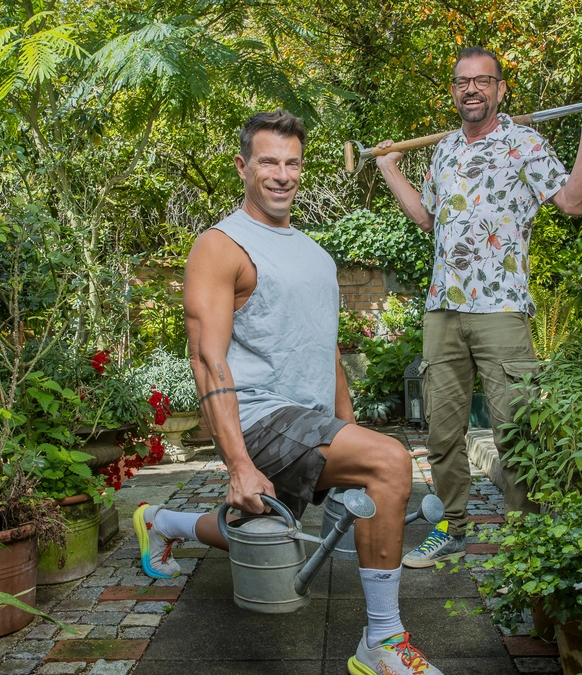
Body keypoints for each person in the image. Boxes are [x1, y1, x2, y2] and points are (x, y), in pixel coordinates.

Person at [132, 110, 445, 675]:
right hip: (258, 417)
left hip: (308, 420)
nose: (282, 174)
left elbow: (327, 351)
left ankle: (162, 522)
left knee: (267, 535)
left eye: (292, 163)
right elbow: (207, 358)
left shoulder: (315, 254)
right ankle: (382, 641)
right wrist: (237, 464)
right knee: (391, 463)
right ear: (242, 167)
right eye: (268, 162)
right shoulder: (221, 245)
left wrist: (350, 428)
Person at [373, 46, 582, 567]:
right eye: (463, 82)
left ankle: (527, 540)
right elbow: (428, 218)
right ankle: (452, 528)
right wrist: (390, 169)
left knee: (516, 429)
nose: (472, 89)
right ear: (453, 92)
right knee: (442, 433)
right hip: (442, 309)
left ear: (501, 89)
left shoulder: (525, 143)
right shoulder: (444, 150)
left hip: (502, 308)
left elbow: (572, 203)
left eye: (483, 80)